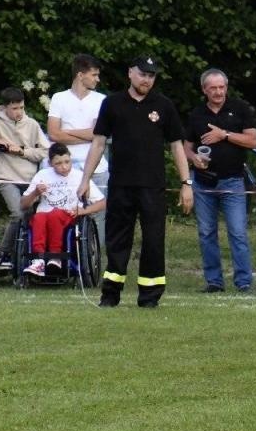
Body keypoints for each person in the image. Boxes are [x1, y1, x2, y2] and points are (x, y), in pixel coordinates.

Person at [77, 55, 192, 308]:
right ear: (130, 73)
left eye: (151, 76)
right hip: (120, 184)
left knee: (153, 240)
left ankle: (150, 296)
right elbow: (98, 143)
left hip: (153, 185)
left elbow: (176, 146)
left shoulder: (164, 105)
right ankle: (110, 295)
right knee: (117, 241)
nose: (146, 80)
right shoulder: (112, 103)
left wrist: (186, 183)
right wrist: (85, 179)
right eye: (142, 74)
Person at [184, 68, 256, 293]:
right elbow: (185, 148)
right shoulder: (196, 114)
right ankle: (214, 281)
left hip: (233, 181)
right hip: (203, 182)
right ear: (204, 90)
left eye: (222, 87)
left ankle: (243, 282)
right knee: (206, 233)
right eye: (213, 88)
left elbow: (253, 141)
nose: (218, 92)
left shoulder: (240, 108)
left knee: (237, 232)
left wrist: (224, 135)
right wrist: (194, 159)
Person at [19, 143, 105, 277]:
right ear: (50, 163)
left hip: (69, 215)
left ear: (71, 159)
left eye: (67, 162)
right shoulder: (42, 175)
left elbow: (102, 203)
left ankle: (55, 257)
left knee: (55, 214)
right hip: (44, 215)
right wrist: (35, 192)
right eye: (58, 163)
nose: (64, 167)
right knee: (38, 217)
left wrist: (82, 211)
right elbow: (23, 205)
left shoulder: (80, 176)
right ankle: (38, 260)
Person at [46, 53, 108, 239]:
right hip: (65, 164)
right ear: (80, 75)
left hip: (96, 164)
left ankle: (96, 252)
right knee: (62, 208)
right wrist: (88, 135)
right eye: (94, 75)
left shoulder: (101, 100)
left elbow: (97, 134)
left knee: (97, 212)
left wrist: (67, 132)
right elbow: (53, 134)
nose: (97, 79)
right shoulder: (59, 98)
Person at [0, 87, 48, 221]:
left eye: (21, 107)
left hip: (29, 178)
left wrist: (22, 152)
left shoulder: (32, 124)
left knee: (31, 216)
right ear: (5, 107)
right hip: (5, 178)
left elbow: (45, 151)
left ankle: (22, 236)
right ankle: (8, 238)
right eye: (14, 108)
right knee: (18, 213)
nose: (19, 112)